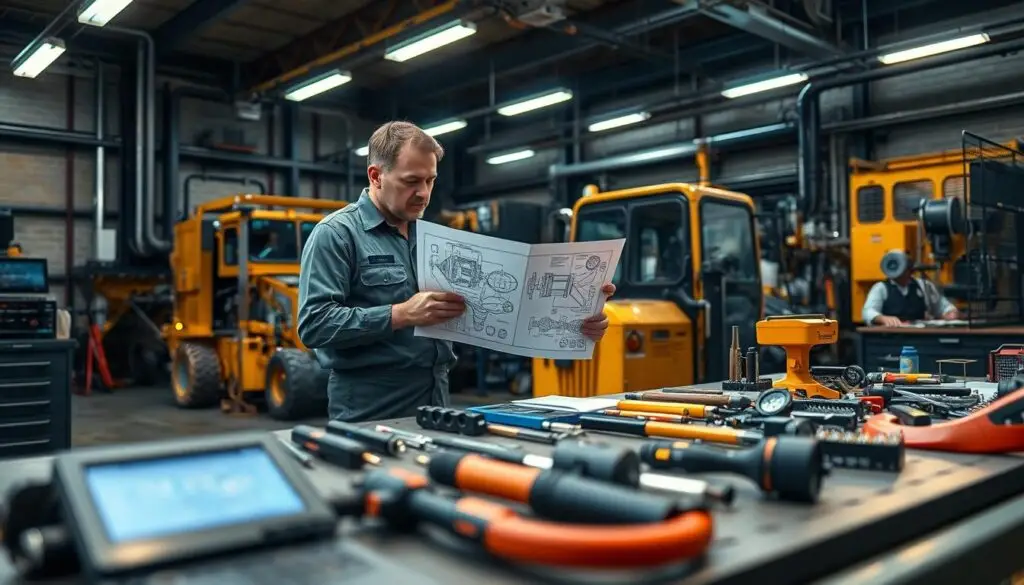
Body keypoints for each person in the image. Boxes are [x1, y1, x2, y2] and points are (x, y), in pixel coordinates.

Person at [297, 121, 615, 422]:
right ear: (376, 176)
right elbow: (313, 324)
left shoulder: (435, 240)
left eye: (430, 180)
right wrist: (400, 314)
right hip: (369, 407)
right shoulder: (338, 235)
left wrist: (575, 320)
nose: (423, 192)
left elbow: (499, 312)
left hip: (436, 397)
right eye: (411, 181)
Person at [861, 250, 959, 327]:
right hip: (891, 337)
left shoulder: (923, 285)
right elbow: (868, 311)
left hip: (918, 335)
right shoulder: (881, 288)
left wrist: (950, 312)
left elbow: (942, 307)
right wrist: (882, 318)